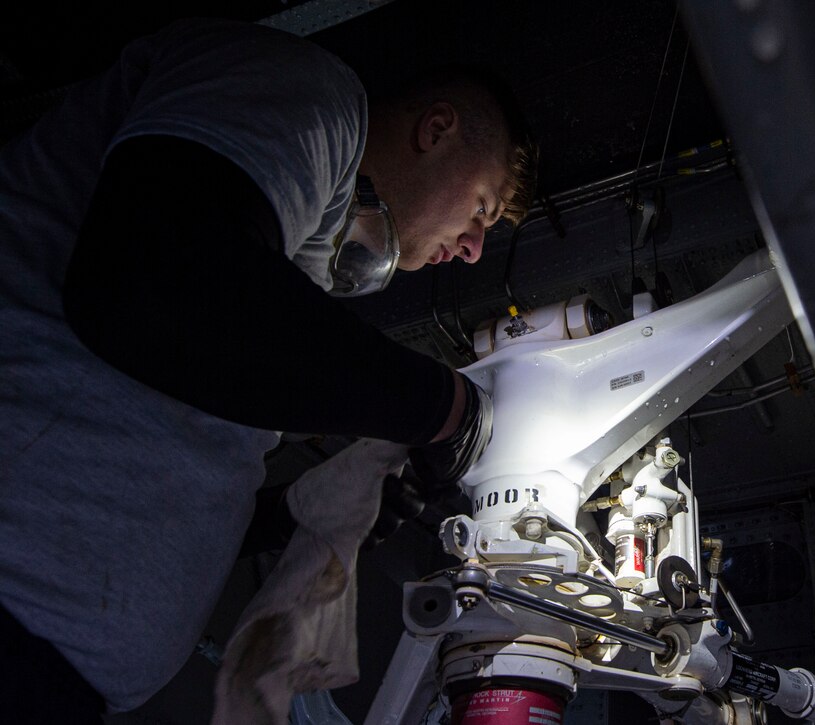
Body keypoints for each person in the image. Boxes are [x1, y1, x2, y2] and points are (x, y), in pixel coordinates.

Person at [0, 17, 537, 722]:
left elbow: (171, 387)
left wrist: (282, 519)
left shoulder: (282, 265)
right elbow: (146, 283)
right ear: (437, 128)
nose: (472, 249)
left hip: (52, 667)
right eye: (482, 209)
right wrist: (442, 405)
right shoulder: (313, 93)